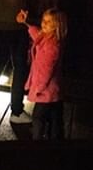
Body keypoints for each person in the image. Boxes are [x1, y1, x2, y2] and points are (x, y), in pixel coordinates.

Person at [16, 7, 67, 140]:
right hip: (53, 91)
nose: (44, 23)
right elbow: (37, 34)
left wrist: (38, 88)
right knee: (55, 118)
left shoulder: (52, 46)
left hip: (45, 90)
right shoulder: (47, 37)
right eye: (44, 20)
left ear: (57, 25)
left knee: (38, 118)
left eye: (49, 22)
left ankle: (37, 143)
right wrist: (26, 23)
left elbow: (46, 71)